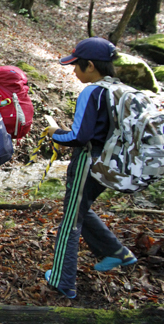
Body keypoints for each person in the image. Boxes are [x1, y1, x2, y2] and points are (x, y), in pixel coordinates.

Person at [45, 37, 137, 299]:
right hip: (110, 164)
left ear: (91, 66)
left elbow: (78, 136)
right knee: (80, 210)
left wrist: (55, 132)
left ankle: (63, 280)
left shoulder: (92, 92)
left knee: (70, 222)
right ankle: (116, 252)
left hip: (87, 163)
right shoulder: (119, 90)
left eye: (76, 65)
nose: (73, 71)